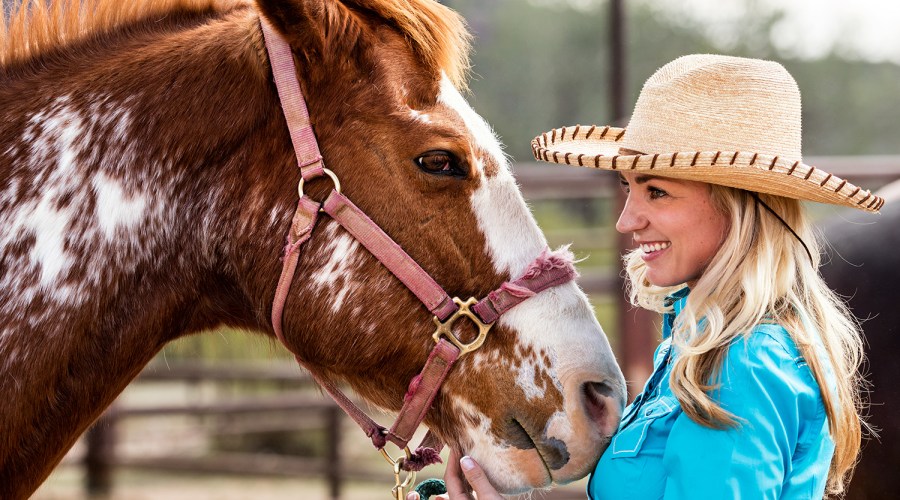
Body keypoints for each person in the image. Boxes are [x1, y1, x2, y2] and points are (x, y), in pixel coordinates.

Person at [409, 54, 883, 499]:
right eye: (628, 188)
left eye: (657, 192)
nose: (627, 220)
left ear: (738, 207)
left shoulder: (742, 362)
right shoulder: (703, 344)